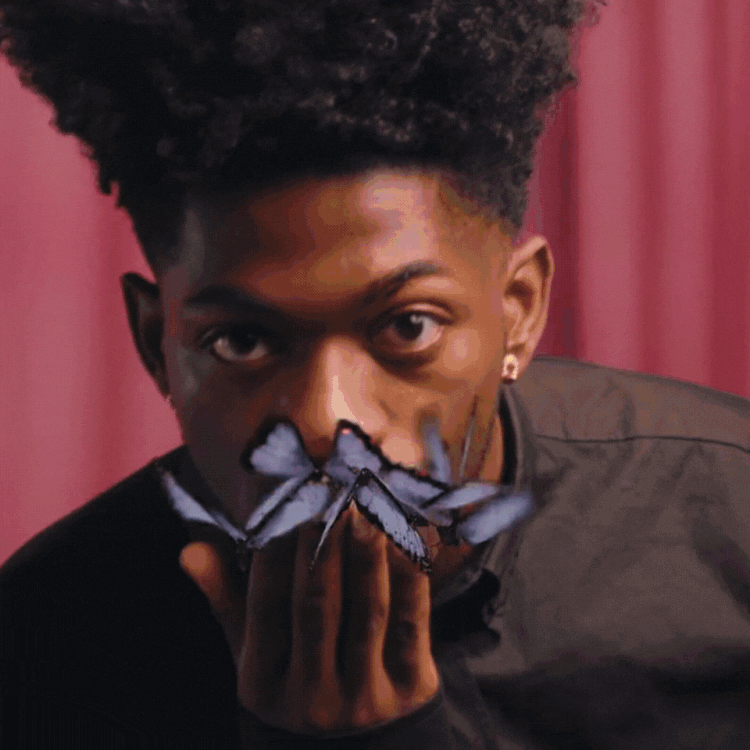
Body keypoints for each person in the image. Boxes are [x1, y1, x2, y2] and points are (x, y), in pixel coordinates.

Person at [2, 1, 750, 748]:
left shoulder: (730, 516)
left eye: (408, 326)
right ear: (154, 344)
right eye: (242, 341)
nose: (328, 421)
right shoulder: (45, 636)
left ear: (518, 311)